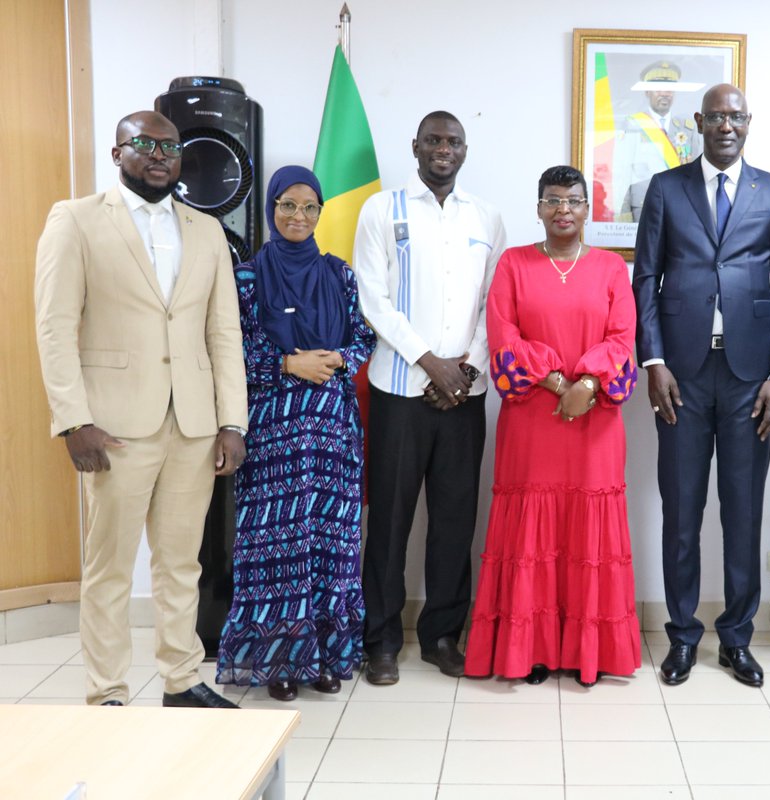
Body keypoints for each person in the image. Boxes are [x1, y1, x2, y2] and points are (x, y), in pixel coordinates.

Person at [33, 110, 247, 708]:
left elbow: (222, 333)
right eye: (145, 145)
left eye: (170, 147)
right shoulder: (74, 220)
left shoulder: (205, 230)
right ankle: (108, 693)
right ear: (116, 152)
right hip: (114, 427)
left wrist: (231, 421)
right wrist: (73, 420)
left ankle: (181, 680)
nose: (159, 155)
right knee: (110, 569)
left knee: (182, 565)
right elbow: (54, 328)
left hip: (194, 426)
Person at [632, 84, 770, 687]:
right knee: (681, 512)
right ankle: (682, 638)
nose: (726, 125)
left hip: (750, 378)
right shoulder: (665, 188)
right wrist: (652, 363)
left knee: (743, 512)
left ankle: (736, 638)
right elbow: (645, 281)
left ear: (748, 123)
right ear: (699, 122)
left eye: (737, 117)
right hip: (680, 375)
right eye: (717, 117)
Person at [464, 165, 641, 687]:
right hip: (533, 419)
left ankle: (590, 653)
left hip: (596, 423)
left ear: (589, 209)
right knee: (531, 534)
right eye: (553, 199)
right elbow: (503, 336)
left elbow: (623, 336)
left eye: (574, 200)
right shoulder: (514, 264)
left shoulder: (611, 268)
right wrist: (560, 384)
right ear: (538, 207)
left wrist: (587, 385)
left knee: (589, 530)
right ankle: (531, 651)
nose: (564, 208)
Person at [353, 111, 506, 684]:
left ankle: (443, 635)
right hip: (398, 391)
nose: (444, 149)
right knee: (390, 522)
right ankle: (382, 641)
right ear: (414, 146)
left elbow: (498, 302)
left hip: (463, 396)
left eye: (453, 141)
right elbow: (373, 298)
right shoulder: (381, 209)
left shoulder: (486, 216)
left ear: (465, 151)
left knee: (454, 520)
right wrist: (430, 363)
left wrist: (464, 371)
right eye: (434, 140)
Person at [216, 166, 376, 701]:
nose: (299, 217)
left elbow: (363, 336)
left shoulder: (341, 274)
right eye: (288, 205)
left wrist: (338, 358)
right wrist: (287, 363)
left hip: (332, 427)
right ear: (270, 207)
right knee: (274, 547)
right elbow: (229, 345)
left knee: (331, 546)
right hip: (273, 428)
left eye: (310, 207)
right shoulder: (245, 276)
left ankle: (323, 657)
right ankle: (278, 662)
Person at [617, 61, 701, 222]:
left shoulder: (687, 127)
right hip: (643, 206)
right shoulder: (633, 125)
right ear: (647, 91)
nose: (665, 93)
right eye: (658, 88)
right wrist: (625, 215)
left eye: (669, 88)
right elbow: (623, 174)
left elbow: (698, 174)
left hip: (682, 206)